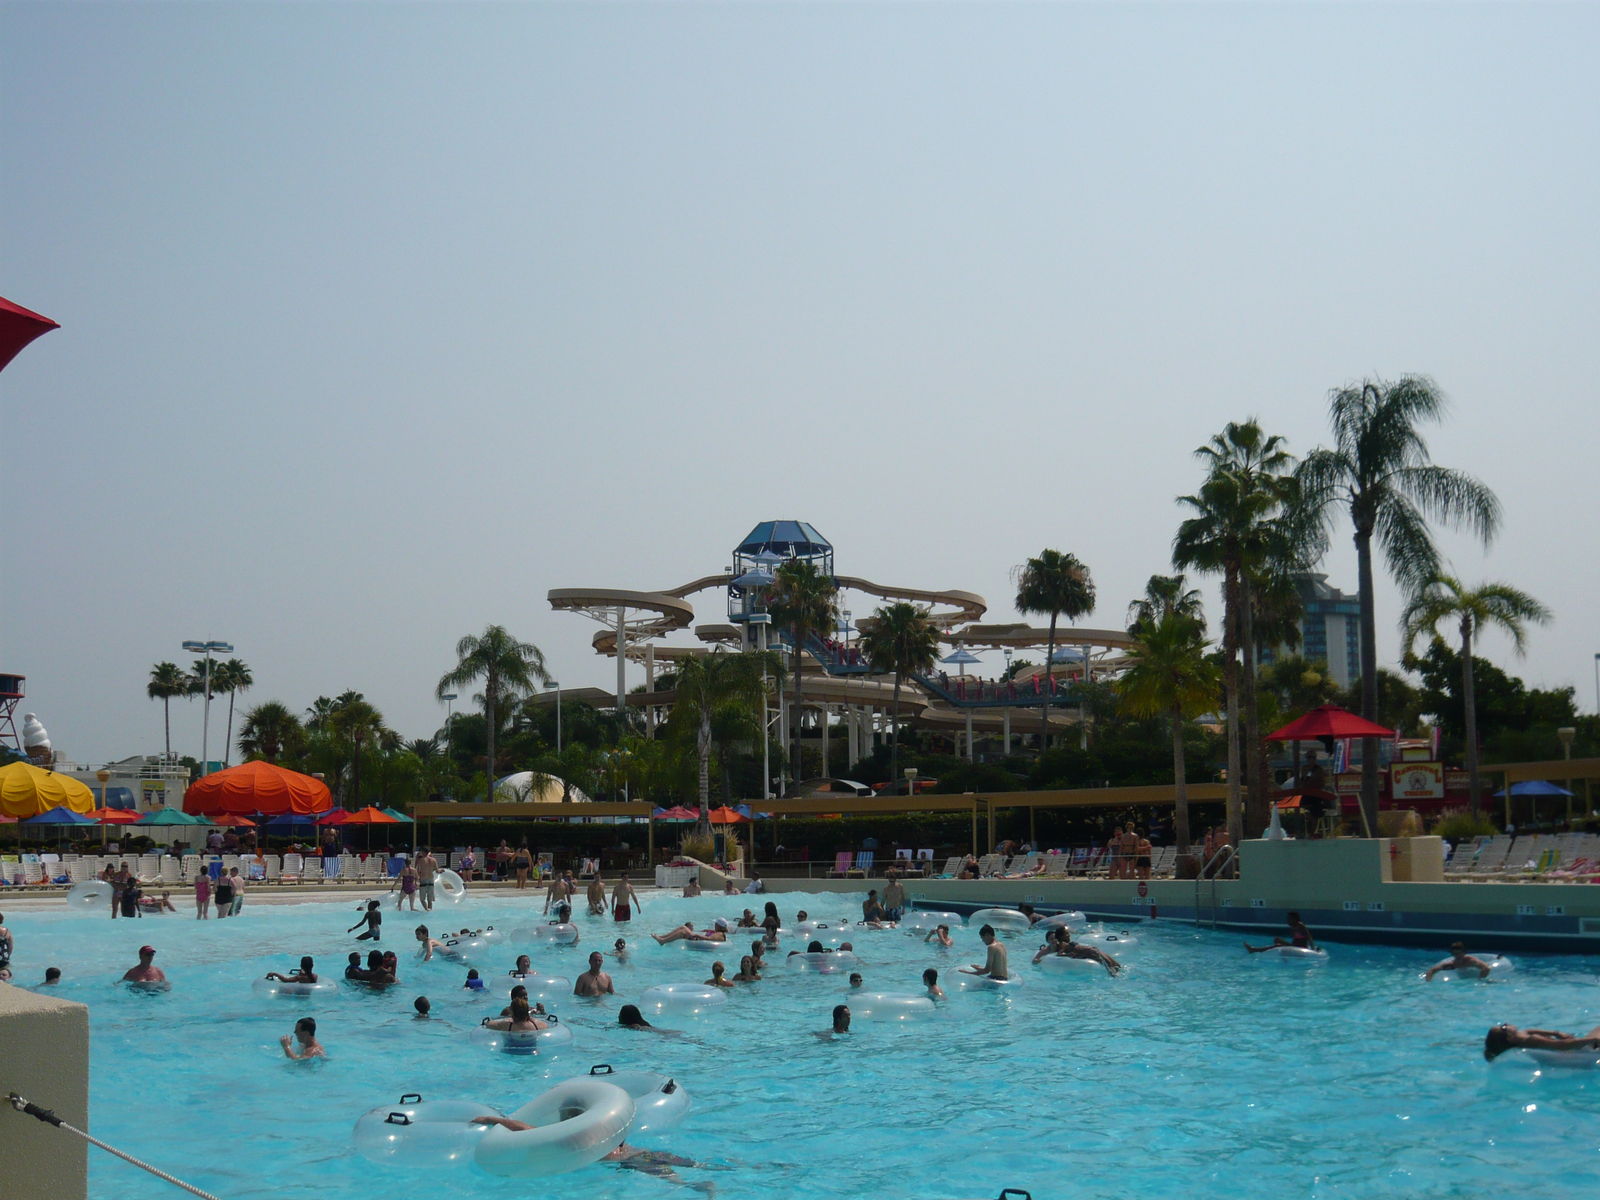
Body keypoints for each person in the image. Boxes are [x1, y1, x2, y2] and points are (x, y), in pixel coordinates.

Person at [1483, 1023, 1600, 1061]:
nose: (1505, 1024)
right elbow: (1561, 1046)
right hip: (1577, 1053)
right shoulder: (1533, 1041)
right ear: (1509, 1038)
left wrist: (1556, 1033)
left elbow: (1529, 1030)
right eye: (1504, 1027)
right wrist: (1592, 1040)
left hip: (1572, 1049)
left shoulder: (1521, 1037)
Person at [1034, 926, 1122, 976]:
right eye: (1051, 939)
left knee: (1097, 952)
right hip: (1079, 949)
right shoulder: (1047, 949)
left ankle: (1114, 967)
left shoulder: (1060, 944)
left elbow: (1061, 951)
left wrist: (1067, 954)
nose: (1054, 940)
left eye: (1055, 938)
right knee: (1097, 953)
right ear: (1047, 941)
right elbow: (1035, 960)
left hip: (1079, 948)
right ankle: (1113, 969)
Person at [1245, 912, 1317, 954]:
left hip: (1300, 947)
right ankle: (1255, 950)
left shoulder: (1300, 926)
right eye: (1288, 918)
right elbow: (1296, 939)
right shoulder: (1294, 927)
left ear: (1295, 919)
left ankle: (1254, 950)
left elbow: (1309, 937)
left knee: (1277, 944)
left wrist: (1313, 949)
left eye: (1289, 918)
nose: (1287, 920)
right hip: (1295, 946)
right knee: (1277, 941)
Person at [1424, 942, 1495, 981]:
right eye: (1454, 954)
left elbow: (1486, 968)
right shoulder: (1452, 964)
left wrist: (1480, 980)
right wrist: (1428, 982)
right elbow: (1432, 970)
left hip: (1476, 980)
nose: (1457, 956)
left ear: (1464, 953)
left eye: (1459, 953)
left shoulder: (1471, 961)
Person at [651, 919, 729, 945]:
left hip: (701, 941)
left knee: (683, 931)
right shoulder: (718, 932)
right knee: (683, 927)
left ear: (718, 925)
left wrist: (697, 935)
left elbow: (709, 939)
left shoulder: (720, 934)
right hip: (700, 939)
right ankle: (662, 937)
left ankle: (663, 941)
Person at [414, 847, 439, 911]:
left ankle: (427, 910)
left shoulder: (421, 860)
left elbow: (416, 869)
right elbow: (437, 871)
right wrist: (441, 871)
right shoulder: (434, 860)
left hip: (423, 880)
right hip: (431, 880)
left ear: (423, 852)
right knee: (429, 900)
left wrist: (416, 880)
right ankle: (430, 911)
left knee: (422, 899)